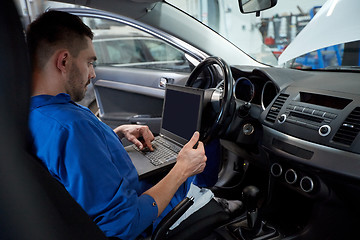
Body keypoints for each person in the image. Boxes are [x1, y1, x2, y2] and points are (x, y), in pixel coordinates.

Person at [26, 10, 218, 239]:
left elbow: (73, 163)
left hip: (127, 194)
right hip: (148, 221)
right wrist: (181, 170)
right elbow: (124, 224)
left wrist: (113, 135)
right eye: (89, 62)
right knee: (203, 174)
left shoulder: (33, 112)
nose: (93, 73)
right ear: (64, 60)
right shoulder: (72, 128)